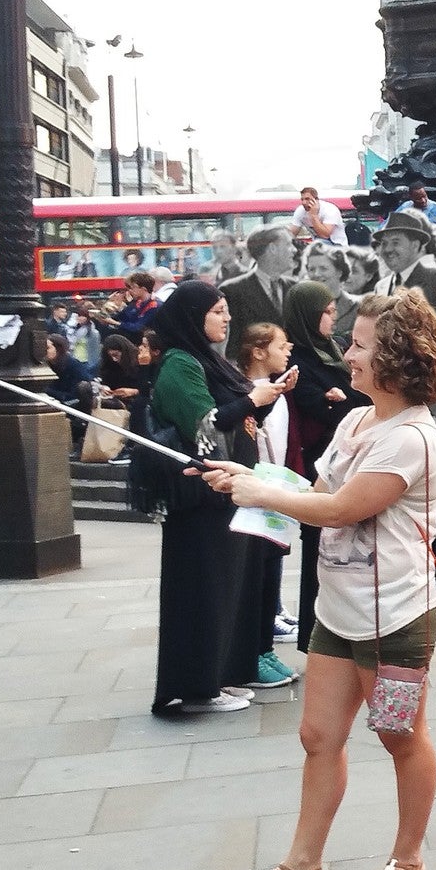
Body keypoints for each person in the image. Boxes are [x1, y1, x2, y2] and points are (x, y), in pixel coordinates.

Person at [208, 291, 436, 870]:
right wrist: (248, 480)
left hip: (396, 617)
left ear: (397, 356)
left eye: (361, 345)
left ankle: (409, 860)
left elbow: (342, 509)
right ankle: (303, 865)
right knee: (318, 735)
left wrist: (261, 494)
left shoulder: (412, 438)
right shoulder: (356, 420)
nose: (347, 354)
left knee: (400, 737)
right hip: (338, 610)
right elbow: (313, 491)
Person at [146, 282, 296, 715]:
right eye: (217, 311)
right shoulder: (179, 363)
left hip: (229, 492)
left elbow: (241, 413)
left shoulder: (206, 358)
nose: (226, 318)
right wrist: (255, 396)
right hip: (200, 498)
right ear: (194, 318)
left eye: (226, 310)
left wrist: (269, 396)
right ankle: (197, 687)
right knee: (202, 589)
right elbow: (205, 425)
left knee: (229, 587)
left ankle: (220, 676)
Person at [284, 281, 371, 651]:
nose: (333, 317)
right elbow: (319, 408)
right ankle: (315, 636)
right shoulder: (296, 358)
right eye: (327, 311)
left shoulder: (332, 349)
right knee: (319, 551)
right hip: (321, 465)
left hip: (348, 459)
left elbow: (350, 399)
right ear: (309, 315)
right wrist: (337, 402)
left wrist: (340, 400)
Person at [232, 321, 305, 687]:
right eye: (279, 344)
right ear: (258, 351)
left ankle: (264, 648)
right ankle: (255, 652)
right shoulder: (250, 392)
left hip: (275, 491)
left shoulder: (275, 392)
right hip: (257, 493)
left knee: (272, 570)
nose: (287, 348)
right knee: (259, 574)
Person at [370, 210, 436, 329]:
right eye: (384, 243)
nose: (388, 249)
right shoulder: (381, 286)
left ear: (415, 245)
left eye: (395, 242)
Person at [219, 227, 299, 355]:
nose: (294, 250)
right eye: (289, 245)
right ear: (272, 248)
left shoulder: (295, 288)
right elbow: (232, 343)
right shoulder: (232, 290)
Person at [112, 271, 159, 341]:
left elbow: (138, 327)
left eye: (133, 287)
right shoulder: (136, 302)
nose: (130, 291)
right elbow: (122, 317)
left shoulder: (155, 305)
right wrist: (116, 306)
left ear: (143, 289)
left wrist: (115, 323)